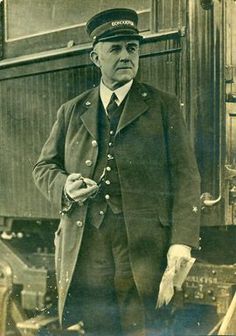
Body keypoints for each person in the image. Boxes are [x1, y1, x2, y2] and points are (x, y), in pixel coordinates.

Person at [33, 8, 201, 336]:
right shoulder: (72, 110)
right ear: (95, 57)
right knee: (97, 325)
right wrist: (65, 184)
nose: (126, 56)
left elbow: (186, 177)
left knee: (140, 326)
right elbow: (43, 168)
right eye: (115, 49)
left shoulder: (163, 106)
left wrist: (181, 243)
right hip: (87, 243)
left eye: (132, 48)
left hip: (142, 246)